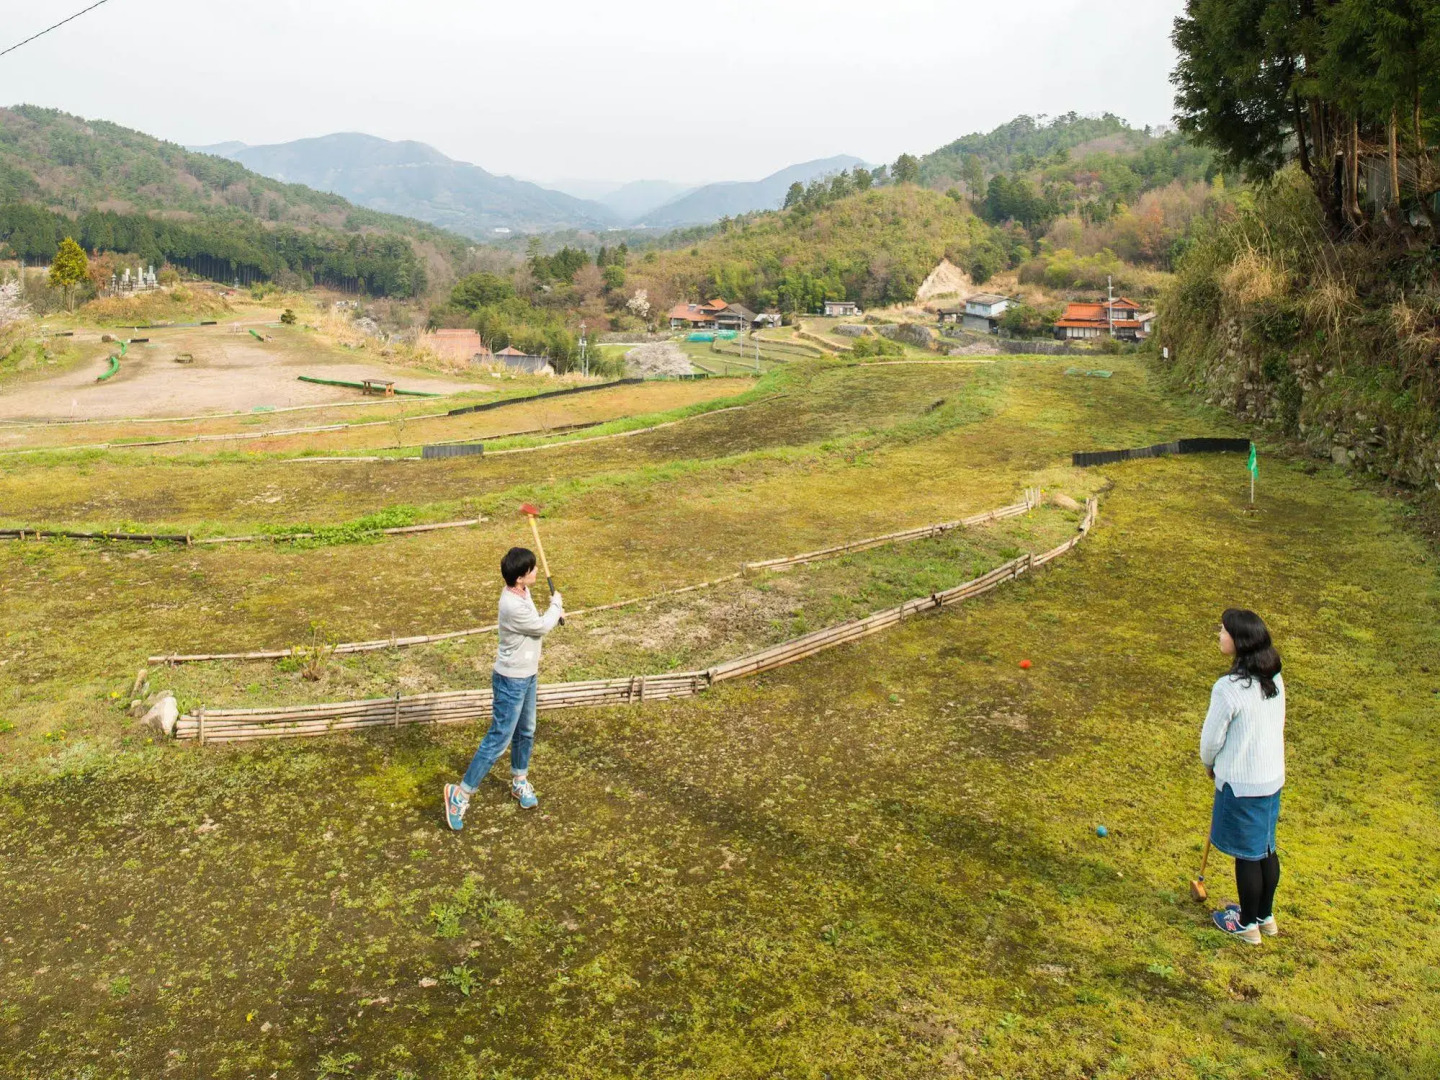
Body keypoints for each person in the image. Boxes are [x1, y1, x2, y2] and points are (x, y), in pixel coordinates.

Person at [444, 546, 562, 830]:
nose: (535, 572)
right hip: (511, 680)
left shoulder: (523, 591)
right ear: (520, 577)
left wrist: (553, 612)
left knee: (526, 730)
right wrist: (556, 606)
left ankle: (519, 781)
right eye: (531, 569)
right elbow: (540, 626)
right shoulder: (512, 605)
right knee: (498, 739)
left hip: (528, 674)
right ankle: (459, 795)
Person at [1201, 608, 1285, 944]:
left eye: (1223, 631)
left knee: (1247, 854)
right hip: (1271, 777)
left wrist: (1210, 764)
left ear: (1239, 641)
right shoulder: (1274, 679)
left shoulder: (1228, 688)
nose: (1219, 635)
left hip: (1241, 783)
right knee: (1265, 848)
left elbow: (1211, 740)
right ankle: (1265, 916)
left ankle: (1247, 925)